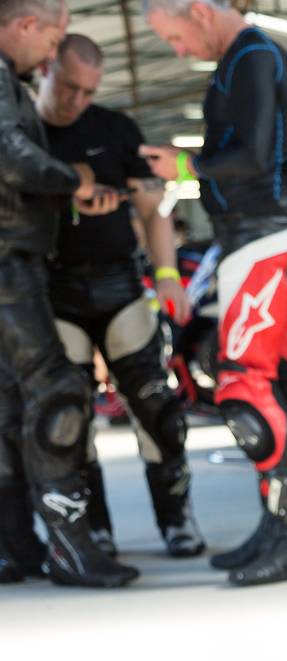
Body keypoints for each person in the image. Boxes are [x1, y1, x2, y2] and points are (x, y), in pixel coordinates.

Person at [140, 0, 287, 586]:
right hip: (257, 241)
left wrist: (185, 166)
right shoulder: (246, 59)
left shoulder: (253, 57)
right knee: (269, 387)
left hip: (265, 241)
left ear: (199, 11)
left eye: (175, 37)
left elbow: (252, 156)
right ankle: (284, 526)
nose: (177, 51)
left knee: (247, 389)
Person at [39, 32, 204, 559]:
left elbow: (153, 211)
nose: (77, 101)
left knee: (158, 408)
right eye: (69, 87)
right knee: (69, 419)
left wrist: (168, 275)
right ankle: (95, 531)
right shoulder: (23, 134)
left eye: (88, 91)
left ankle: (177, 520)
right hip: (52, 288)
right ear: (45, 68)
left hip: (119, 286)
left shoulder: (115, 130)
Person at [0, 0, 136, 587]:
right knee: (56, 393)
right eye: (54, 39)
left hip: (14, 257)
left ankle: (16, 549)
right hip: (7, 262)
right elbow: (10, 159)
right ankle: (71, 548)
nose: (53, 52)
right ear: (27, 25)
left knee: (9, 406)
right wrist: (72, 182)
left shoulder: (11, 80)